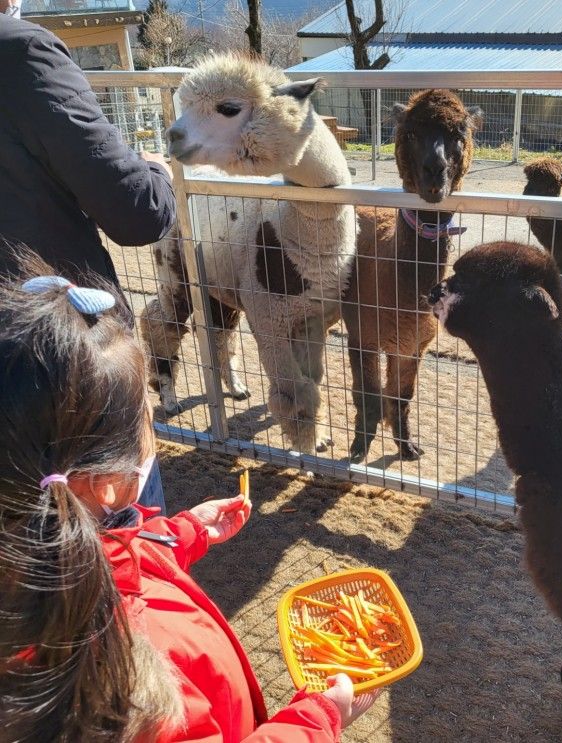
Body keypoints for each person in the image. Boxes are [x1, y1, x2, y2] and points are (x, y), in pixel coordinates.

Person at [0, 257, 379, 741]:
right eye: (147, 419)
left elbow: (118, 552)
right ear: (104, 483)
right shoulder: (132, 674)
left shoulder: (42, 558)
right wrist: (316, 720)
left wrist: (182, 533)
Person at [0, 7, 178, 512]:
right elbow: (135, 211)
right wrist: (156, 173)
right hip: (65, 362)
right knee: (123, 549)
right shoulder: (20, 52)